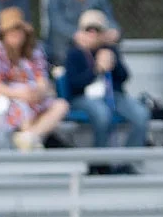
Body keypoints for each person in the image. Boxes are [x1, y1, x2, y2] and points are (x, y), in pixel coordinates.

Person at [64, 9, 150, 161]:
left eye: (97, 30)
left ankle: (128, 161)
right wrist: (96, 69)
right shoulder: (75, 53)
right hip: (83, 97)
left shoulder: (109, 50)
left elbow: (124, 77)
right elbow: (75, 84)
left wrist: (114, 63)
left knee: (141, 114)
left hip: (113, 95)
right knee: (103, 115)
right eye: (88, 30)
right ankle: (100, 163)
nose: (92, 34)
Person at [0, 7, 68, 151]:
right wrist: (21, 94)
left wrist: (38, 92)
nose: (16, 34)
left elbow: (42, 79)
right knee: (24, 110)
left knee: (61, 106)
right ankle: (29, 149)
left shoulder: (35, 50)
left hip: (34, 96)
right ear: (4, 34)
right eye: (11, 31)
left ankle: (29, 138)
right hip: (9, 97)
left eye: (19, 30)